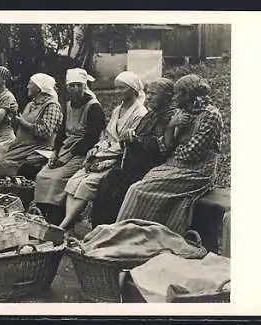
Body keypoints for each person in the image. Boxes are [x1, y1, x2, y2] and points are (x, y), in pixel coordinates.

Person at [115, 74, 223, 236]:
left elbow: (190, 154)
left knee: (138, 190)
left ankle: (128, 235)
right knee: (143, 184)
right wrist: (172, 127)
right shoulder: (182, 112)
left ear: (189, 95)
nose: (174, 97)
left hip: (197, 172)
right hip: (176, 165)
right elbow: (164, 147)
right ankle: (138, 236)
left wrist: (174, 146)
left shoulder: (210, 115)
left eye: (178, 94)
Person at [59, 71, 149, 230]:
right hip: (104, 152)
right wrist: (96, 147)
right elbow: (107, 136)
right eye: (116, 88)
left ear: (133, 90)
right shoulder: (117, 110)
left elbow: (127, 143)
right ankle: (68, 221)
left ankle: (63, 225)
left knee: (87, 183)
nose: (117, 91)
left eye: (122, 88)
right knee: (74, 181)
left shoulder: (140, 113)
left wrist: (105, 153)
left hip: (119, 157)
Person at [90, 77, 175, 228]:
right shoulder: (151, 114)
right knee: (107, 186)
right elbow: (138, 137)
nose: (148, 98)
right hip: (133, 163)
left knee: (120, 191)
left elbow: (160, 145)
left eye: (153, 94)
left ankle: (114, 231)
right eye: (148, 93)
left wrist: (135, 139)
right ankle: (99, 230)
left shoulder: (169, 117)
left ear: (167, 97)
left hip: (150, 166)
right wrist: (130, 136)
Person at [34, 68, 106, 225]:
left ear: (84, 86)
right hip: (65, 148)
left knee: (57, 179)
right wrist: (55, 152)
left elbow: (91, 138)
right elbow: (61, 132)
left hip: (83, 152)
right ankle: (43, 212)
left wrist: (66, 157)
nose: (74, 89)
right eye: (71, 85)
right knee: (42, 176)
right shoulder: (68, 105)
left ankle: (57, 216)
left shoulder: (94, 107)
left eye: (78, 85)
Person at [1, 73, 63, 179]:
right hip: (22, 147)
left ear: (39, 88)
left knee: (5, 167)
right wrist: (13, 115)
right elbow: (20, 128)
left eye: (30, 84)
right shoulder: (31, 104)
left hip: (39, 148)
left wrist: (25, 124)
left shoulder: (52, 106)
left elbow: (46, 132)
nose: (27, 86)